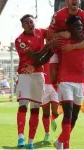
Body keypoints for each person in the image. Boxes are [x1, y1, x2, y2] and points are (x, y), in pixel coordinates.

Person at [14, 14, 59, 149]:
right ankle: (20, 136)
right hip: (25, 75)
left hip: (39, 75)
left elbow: (52, 31)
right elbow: (35, 56)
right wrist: (49, 45)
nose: (30, 24)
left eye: (31, 22)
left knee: (35, 109)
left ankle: (30, 142)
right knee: (23, 105)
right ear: (22, 26)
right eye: (26, 23)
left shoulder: (41, 32)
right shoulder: (19, 40)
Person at [48, 0, 84, 114]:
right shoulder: (58, 15)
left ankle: (82, 97)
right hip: (61, 50)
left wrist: (73, 47)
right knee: (52, 74)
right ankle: (61, 101)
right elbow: (49, 34)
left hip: (78, 49)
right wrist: (62, 34)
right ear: (66, 1)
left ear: (79, 1)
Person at [52, 15, 84, 149]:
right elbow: (50, 50)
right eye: (77, 26)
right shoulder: (61, 41)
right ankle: (66, 146)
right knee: (68, 114)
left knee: (74, 117)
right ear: (69, 28)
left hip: (79, 83)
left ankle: (60, 141)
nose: (80, 28)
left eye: (81, 26)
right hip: (65, 81)